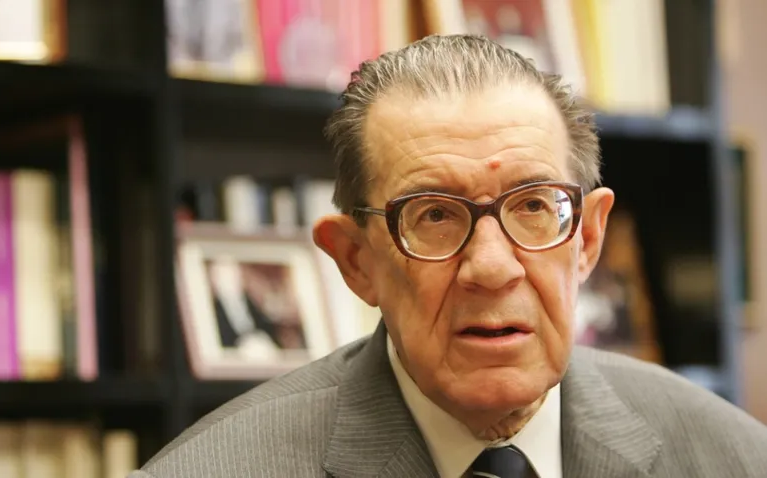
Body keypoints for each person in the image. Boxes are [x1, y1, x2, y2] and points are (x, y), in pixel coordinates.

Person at [130, 34, 767, 477]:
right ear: (357, 261)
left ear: (588, 239)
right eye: (433, 215)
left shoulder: (735, 458)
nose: (492, 267)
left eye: (533, 205)